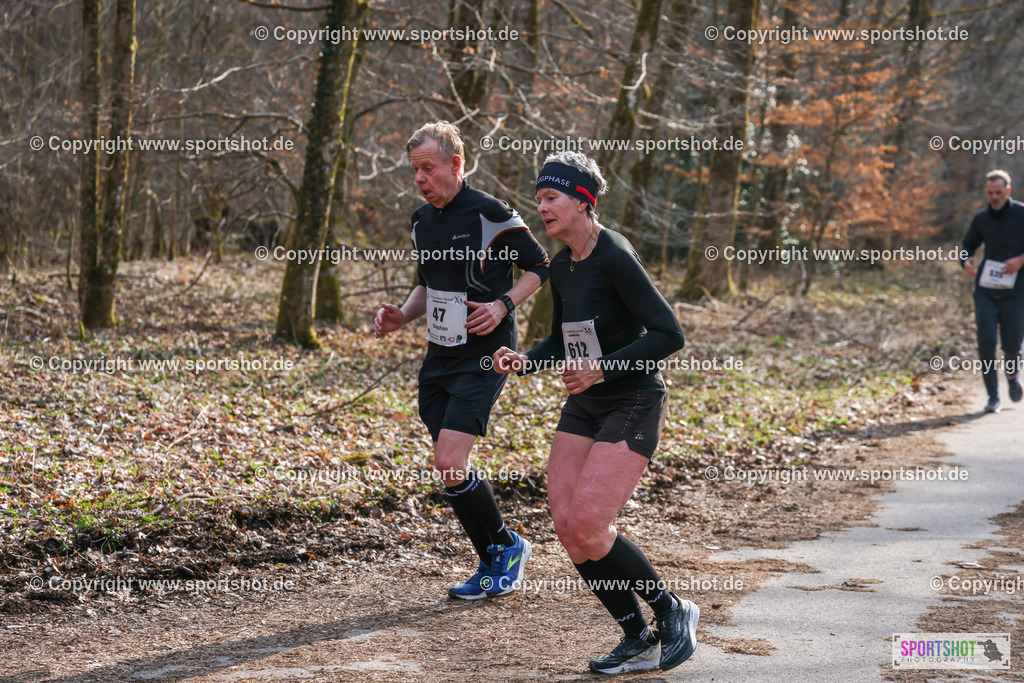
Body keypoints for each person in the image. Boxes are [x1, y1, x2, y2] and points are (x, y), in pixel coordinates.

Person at [492, 151, 697, 674]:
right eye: (538, 199)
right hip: (585, 402)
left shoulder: (616, 256)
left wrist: (602, 369)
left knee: (588, 521)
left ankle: (673, 610)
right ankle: (637, 635)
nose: (541, 207)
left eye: (551, 197)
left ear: (584, 203)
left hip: (632, 400)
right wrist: (524, 361)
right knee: (566, 525)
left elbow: (670, 335)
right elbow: (563, 338)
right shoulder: (562, 266)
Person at [373, 121, 550, 599]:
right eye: (414, 171)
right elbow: (428, 284)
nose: (420, 179)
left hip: (488, 354)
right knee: (449, 464)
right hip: (440, 353)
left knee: (450, 456)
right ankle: (501, 548)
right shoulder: (420, 221)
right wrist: (402, 315)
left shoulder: (491, 213)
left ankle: (502, 552)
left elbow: (539, 267)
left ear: (455, 164)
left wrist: (502, 305)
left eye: (428, 168)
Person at [961, 169, 1024, 413]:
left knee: (1011, 346)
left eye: (998, 192)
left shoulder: (1021, 214)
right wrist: (965, 260)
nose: (994, 197)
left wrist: (1020, 260)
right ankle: (992, 397)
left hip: (1016, 292)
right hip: (986, 291)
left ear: (1008, 191)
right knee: (986, 342)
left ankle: (1011, 378)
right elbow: (968, 244)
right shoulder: (981, 218)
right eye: (990, 193)